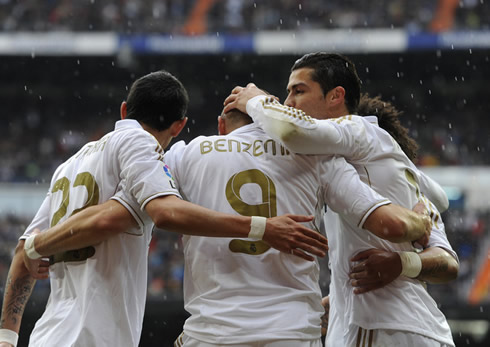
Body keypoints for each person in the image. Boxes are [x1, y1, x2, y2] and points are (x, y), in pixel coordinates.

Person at [0, 70, 330, 347]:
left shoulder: (69, 166)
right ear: (179, 125)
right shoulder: (141, 146)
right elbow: (135, 215)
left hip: (50, 334)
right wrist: (262, 227)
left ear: (124, 109)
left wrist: (7, 338)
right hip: (98, 335)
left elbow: (21, 256)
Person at [224, 52, 458, 346]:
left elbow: (292, 130)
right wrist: (339, 295)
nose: (288, 103)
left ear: (336, 96)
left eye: (298, 91)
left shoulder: (359, 131)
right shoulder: (392, 172)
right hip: (419, 327)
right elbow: (443, 232)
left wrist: (256, 100)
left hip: (379, 326)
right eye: (287, 93)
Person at [163, 106, 430, 347]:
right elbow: (390, 223)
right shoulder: (315, 157)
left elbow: (162, 210)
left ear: (222, 126)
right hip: (293, 330)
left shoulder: (184, 154)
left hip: (213, 331)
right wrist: (422, 218)